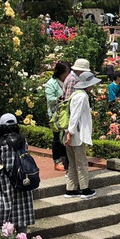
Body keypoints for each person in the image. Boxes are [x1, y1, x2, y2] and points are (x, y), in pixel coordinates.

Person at [0, 113, 36, 233]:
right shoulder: (23, 140)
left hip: (4, 182)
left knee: (3, 211)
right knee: (21, 211)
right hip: (21, 180)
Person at [64, 70, 101, 198]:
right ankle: (84, 189)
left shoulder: (75, 94)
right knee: (81, 163)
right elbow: (75, 116)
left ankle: (71, 189)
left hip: (70, 132)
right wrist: (71, 132)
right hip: (76, 134)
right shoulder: (82, 96)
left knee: (72, 163)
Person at [45, 61, 70, 170]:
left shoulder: (68, 82)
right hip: (56, 115)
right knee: (57, 138)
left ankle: (65, 159)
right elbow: (50, 100)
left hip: (66, 114)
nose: (68, 75)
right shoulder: (51, 83)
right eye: (67, 73)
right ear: (60, 72)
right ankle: (57, 161)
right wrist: (60, 99)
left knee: (65, 137)